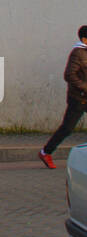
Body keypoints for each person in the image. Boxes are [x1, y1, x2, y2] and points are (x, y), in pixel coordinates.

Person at [39, 26, 87, 169]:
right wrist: (85, 86)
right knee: (67, 128)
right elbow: (69, 75)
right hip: (79, 98)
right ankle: (45, 152)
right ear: (84, 39)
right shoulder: (78, 53)